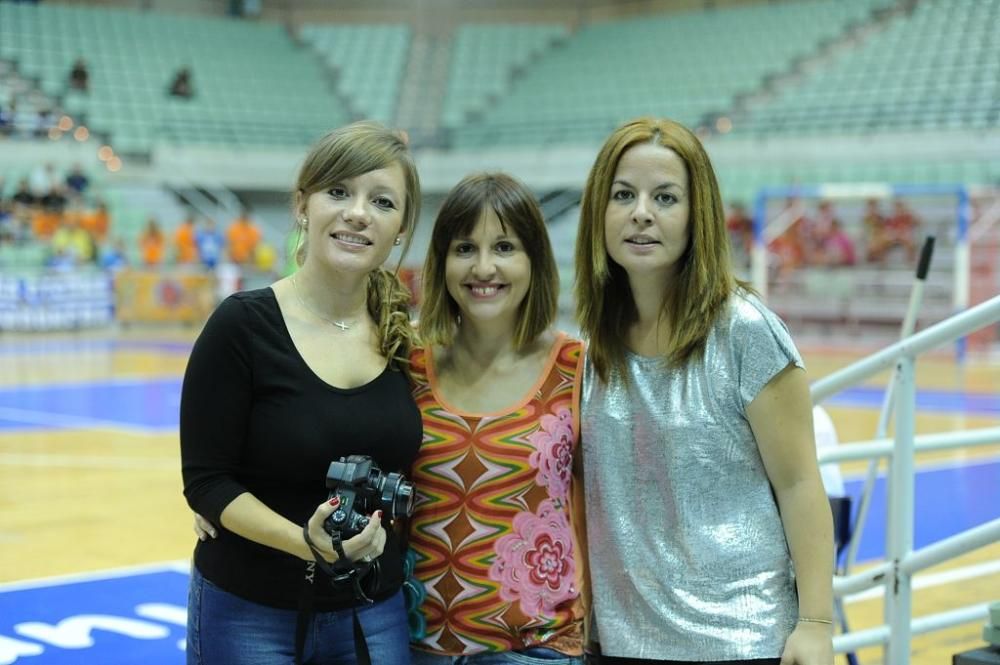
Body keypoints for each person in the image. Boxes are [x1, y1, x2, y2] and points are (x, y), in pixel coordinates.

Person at [574, 117, 833, 664]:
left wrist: (815, 623)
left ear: (698, 217)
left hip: (739, 640)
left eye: (665, 197)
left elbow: (800, 483)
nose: (642, 212)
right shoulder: (595, 343)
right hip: (621, 643)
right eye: (624, 194)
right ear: (600, 211)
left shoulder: (745, 330)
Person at [181, 120, 422, 664]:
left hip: (373, 609)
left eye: (382, 201)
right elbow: (207, 481)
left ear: (401, 229)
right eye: (338, 192)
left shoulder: (406, 337)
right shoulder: (241, 326)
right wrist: (309, 544)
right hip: (249, 610)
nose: (358, 213)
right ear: (302, 206)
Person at [407, 173, 588, 664]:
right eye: (465, 248)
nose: (483, 267)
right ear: (442, 261)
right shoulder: (406, 363)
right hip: (412, 645)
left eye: (504, 247)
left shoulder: (579, 368)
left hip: (538, 649)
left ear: (534, 261)